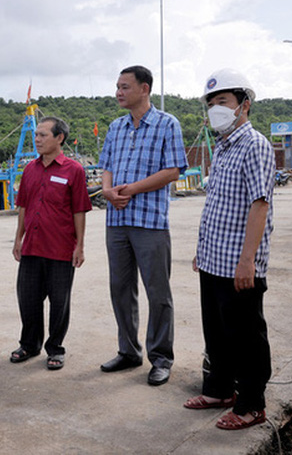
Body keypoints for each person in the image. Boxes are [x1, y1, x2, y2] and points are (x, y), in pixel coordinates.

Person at [184, 69, 274, 430]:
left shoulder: (255, 145)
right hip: (213, 259)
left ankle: (252, 404)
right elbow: (218, 206)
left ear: (244, 105)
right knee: (217, 331)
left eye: (222, 102)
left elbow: (259, 204)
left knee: (247, 337)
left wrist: (248, 260)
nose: (215, 109)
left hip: (239, 262)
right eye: (211, 104)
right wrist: (200, 251)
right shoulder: (222, 147)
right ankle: (220, 390)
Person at [98, 65, 188, 386]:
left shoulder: (167, 124)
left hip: (150, 222)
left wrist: (131, 189)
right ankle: (129, 351)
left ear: (144, 89)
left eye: (124, 86)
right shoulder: (116, 126)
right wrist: (108, 191)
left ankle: (161, 357)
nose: (119, 92)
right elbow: (106, 165)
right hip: (117, 221)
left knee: (157, 292)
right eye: (117, 86)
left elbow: (173, 170)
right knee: (120, 289)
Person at [10, 117, 92, 370]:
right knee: (28, 298)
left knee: (59, 301)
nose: (37, 139)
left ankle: (55, 348)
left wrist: (80, 246)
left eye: (43, 135)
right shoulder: (30, 170)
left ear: (60, 138)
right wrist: (18, 238)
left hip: (60, 248)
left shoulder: (74, 170)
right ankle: (29, 344)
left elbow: (79, 210)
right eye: (36, 135)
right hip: (32, 246)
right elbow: (23, 206)